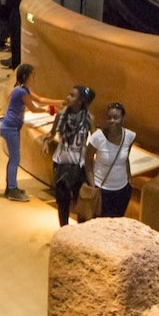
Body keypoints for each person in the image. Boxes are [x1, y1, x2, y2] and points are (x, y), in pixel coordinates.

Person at [0, 64, 63, 202]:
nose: (34, 77)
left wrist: (60, 102)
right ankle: (11, 189)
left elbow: (40, 99)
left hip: (12, 127)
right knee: (15, 159)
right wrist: (51, 110)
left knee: (14, 158)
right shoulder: (21, 92)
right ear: (25, 76)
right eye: (32, 75)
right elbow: (34, 108)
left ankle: (12, 187)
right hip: (10, 128)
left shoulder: (23, 89)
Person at [45, 85, 94, 226]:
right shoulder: (61, 115)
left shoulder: (89, 119)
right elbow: (52, 133)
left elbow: (96, 140)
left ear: (81, 101)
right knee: (62, 202)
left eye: (72, 95)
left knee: (81, 200)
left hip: (79, 165)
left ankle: (80, 233)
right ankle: (64, 230)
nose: (68, 97)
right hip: (61, 164)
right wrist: (46, 141)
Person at [84, 101, 137, 217]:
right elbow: (87, 162)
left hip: (122, 189)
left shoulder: (130, 136)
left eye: (116, 117)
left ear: (123, 119)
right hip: (101, 189)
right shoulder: (97, 138)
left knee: (116, 223)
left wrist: (129, 178)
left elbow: (126, 158)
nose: (112, 121)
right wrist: (93, 185)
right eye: (109, 118)